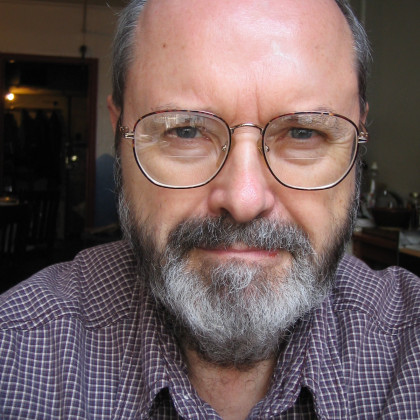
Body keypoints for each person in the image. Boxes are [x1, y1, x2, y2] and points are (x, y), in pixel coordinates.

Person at [1, 0, 420, 418]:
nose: (243, 199)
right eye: (185, 131)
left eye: (302, 133)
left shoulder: (409, 350)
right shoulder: (16, 352)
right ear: (119, 133)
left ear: (359, 136)